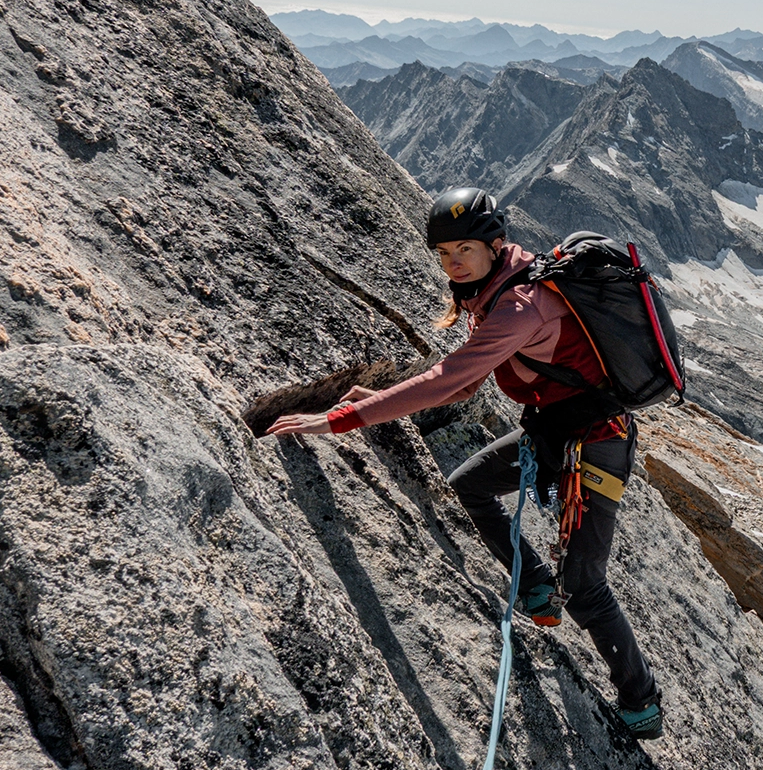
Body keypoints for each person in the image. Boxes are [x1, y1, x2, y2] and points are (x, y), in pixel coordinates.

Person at [267, 187, 664, 739]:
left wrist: (341, 421)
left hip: (595, 443)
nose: (453, 263)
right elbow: (464, 386)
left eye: (465, 250)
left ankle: (641, 701)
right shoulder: (494, 289)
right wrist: (374, 401)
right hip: (555, 433)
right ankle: (534, 585)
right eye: (444, 252)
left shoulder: (521, 304)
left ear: (495, 245)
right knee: (470, 486)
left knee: (587, 584)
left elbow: (448, 380)